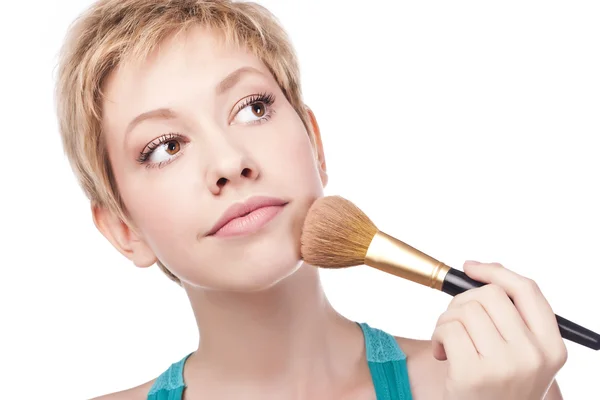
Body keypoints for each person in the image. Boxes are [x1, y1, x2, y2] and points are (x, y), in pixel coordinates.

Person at [55, 0, 567, 398]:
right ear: (124, 229)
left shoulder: (490, 388)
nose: (231, 162)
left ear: (315, 144)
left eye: (252, 108)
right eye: (165, 147)